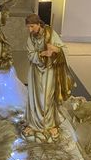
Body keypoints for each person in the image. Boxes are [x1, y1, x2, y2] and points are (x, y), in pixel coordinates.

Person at [22, 14, 75, 142]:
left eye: (32, 26)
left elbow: (64, 50)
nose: (30, 30)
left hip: (49, 71)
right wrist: (42, 53)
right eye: (28, 27)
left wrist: (55, 49)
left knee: (46, 97)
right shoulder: (31, 37)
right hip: (35, 72)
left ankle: (49, 124)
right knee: (34, 98)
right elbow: (30, 55)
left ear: (39, 24)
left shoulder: (50, 33)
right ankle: (34, 124)